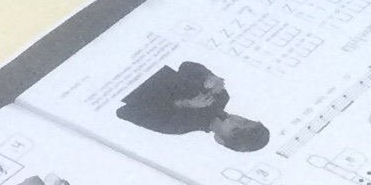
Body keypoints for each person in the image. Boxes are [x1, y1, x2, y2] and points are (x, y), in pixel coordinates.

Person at [116, 59, 271, 152]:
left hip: (122, 80)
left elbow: (125, 112)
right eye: (244, 121)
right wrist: (209, 76)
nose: (234, 120)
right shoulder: (221, 96)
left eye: (234, 129)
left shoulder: (179, 126)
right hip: (148, 59)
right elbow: (186, 65)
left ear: (219, 139)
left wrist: (181, 104)